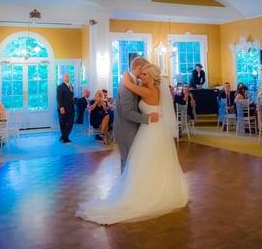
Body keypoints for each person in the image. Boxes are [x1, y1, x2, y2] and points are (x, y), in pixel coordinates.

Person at [76, 62, 188, 225]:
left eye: (145, 75)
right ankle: (148, 190)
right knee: (148, 163)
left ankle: (142, 194)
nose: (142, 77)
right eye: (141, 74)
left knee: (143, 163)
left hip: (151, 130)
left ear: (151, 78)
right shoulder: (152, 89)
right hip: (149, 129)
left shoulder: (148, 90)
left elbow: (128, 84)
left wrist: (126, 75)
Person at [112, 57, 158, 172]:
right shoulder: (125, 85)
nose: (144, 75)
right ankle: (126, 188)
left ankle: (128, 187)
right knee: (128, 164)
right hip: (126, 129)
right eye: (144, 71)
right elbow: (127, 112)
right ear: (139, 68)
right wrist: (148, 118)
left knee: (132, 164)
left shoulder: (134, 82)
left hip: (134, 128)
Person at [56, 74, 75, 143]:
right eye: (65, 76)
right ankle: (65, 138)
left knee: (71, 123)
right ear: (63, 78)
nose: (67, 77)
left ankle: (64, 136)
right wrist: (61, 107)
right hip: (63, 108)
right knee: (63, 123)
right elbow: (59, 98)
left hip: (71, 108)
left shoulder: (71, 86)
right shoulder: (60, 87)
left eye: (68, 76)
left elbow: (71, 97)